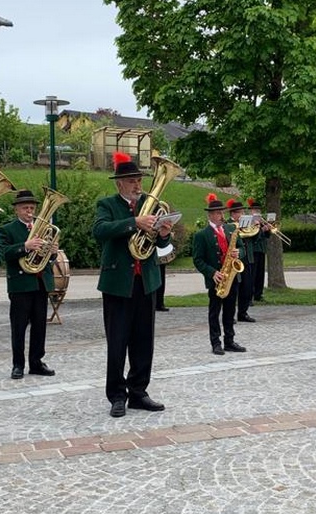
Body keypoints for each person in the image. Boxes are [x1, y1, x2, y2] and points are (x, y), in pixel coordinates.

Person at [94, 153, 174, 417]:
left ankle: (139, 392)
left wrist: (164, 234)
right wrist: (133, 223)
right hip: (118, 283)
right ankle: (117, 395)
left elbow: (160, 247)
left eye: (139, 180)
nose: (137, 185)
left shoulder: (151, 207)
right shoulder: (107, 204)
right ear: (119, 184)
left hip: (146, 281)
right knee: (117, 341)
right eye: (131, 181)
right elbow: (100, 231)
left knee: (143, 341)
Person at [0, 189, 57, 380]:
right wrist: (25, 246)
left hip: (40, 282)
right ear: (16, 209)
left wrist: (53, 250)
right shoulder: (8, 229)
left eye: (32, 208)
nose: (29, 211)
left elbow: (49, 256)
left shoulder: (43, 228)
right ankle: (18, 364)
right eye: (25, 208)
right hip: (21, 284)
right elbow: (4, 253)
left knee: (40, 326)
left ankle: (36, 362)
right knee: (19, 326)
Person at [192, 194, 247, 356]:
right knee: (214, 312)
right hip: (217, 278)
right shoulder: (201, 235)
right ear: (210, 215)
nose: (221, 216)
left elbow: (242, 248)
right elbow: (198, 260)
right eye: (217, 213)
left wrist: (239, 253)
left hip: (232, 276)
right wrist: (212, 273)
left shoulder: (231, 229)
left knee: (230, 310)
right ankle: (215, 342)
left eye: (222, 212)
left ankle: (229, 341)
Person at [227, 198, 257, 323]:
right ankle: (230, 314)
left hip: (246, 259)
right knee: (234, 289)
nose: (242, 215)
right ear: (233, 214)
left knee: (247, 287)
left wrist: (258, 229)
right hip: (234, 260)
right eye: (240, 212)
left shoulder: (246, 224)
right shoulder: (228, 225)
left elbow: (253, 240)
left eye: (243, 212)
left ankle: (243, 313)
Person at [249, 199, 271, 303]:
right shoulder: (250, 222)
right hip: (253, 250)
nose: (257, 212)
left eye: (258, 210)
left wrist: (268, 228)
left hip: (261, 250)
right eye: (255, 210)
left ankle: (259, 294)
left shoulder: (261, 221)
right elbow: (253, 237)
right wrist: (261, 230)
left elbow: (267, 236)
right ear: (251, 211)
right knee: (252, 273)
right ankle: (251, 295)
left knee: (260, 273)